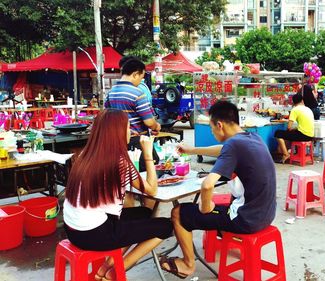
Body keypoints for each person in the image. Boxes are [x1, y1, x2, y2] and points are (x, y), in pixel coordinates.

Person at [161, 101, 277, 279]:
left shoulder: (234, 145)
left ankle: (187, 264)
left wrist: (205, 207)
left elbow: (207, 185)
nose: (212, 132)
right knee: (208, 207)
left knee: (178, 212)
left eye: (211, 128)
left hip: (246, 220)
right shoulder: (252, 138)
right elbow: (223, 150)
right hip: (266, 214)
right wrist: (192, 150)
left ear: (219, 125)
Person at [63, 109, 173, 281]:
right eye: (128, 127)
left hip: (73, 230)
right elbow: (151, 190)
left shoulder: (85, 154)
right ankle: (114, 270)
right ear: (117, 132)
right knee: (166, 226)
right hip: (95, 233)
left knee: (144, 213)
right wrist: (147, 152)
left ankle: (107, 267)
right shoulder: (119, 161)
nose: (131, 131)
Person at [105, 57, 161, 171]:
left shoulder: (111, 92)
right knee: (147, 172)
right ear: (135, 74)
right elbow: (149, 122)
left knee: (127, 173)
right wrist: (157, 126)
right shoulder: (137, 93)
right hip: (138, 141)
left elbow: (107, 115)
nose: (140, 81)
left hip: (119, 140)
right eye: (141, 77)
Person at [274, 93, 314, 163]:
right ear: (302, 101)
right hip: (310, 135)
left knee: (278, 133)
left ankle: (286, 154)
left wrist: (289, 130)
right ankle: (287, 152)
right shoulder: (308, 109)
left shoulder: (295, 109)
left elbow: (289, 127)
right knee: (288, 134)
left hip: (303, 136)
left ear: (293, 102)